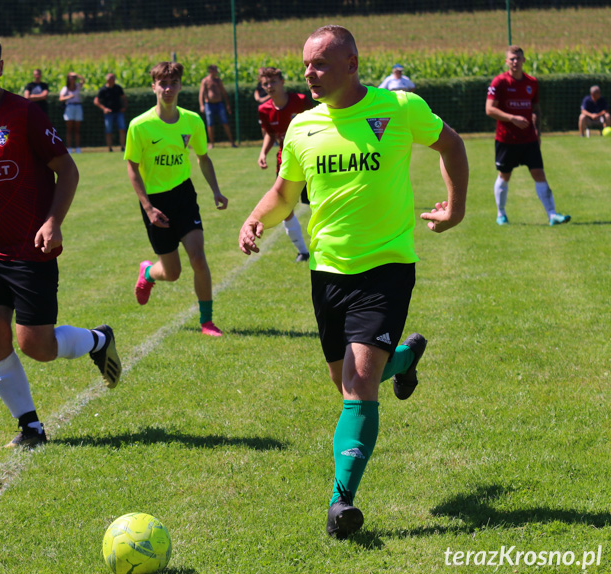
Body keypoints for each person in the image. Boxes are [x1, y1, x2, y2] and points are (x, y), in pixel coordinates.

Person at [239, 25, 468, 539]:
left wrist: (455, 208)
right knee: (345, 381)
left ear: (351, 63)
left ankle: (340, 503)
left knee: (360, 384)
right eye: (305, 67)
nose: (309, 75)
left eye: (319, 65)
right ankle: (404, 359)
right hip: (328, 273)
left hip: (386, 267)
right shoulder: (301, 127)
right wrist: (256, 217)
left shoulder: (400, 108)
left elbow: (451, 146)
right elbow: (284, 189)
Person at [0, 33, 121, 448]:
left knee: (36, 345)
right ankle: (31, 427)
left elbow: (67, 170)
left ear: (1, 67)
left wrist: (54, 221)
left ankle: (98, 340)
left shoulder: (25, 115)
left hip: (30, 249)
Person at [127, 61, 229, 337]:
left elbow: (203, 158)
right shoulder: (140, 126)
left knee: (198, 257)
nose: (168, 88)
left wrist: (216, 190)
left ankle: (206, 321)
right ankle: (148, 273)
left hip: (184, 195)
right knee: (172, 273)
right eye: (163, 83)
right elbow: (132, 168)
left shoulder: (192, 121)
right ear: (154, 87)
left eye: (173, 83)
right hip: (155, 201)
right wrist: (148, 207)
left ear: (180, 86)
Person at [486, 46, 570, 226]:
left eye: (518, 58)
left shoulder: (532, 82)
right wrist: (512, 118)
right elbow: (489, 109)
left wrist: (538, 132)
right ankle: (501, 214)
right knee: (504, 175)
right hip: (506, 139)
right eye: (512, 59)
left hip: (529, 139)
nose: (515, 61)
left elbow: (536, 109)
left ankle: (552, 215)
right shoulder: (499, 82)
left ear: (524, 60)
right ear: (507, 61)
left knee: (539, 174)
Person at [257, 66, 315, 263]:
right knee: (285, 208)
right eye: (265, 83)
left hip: (310, 160)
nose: (269, 86)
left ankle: (326, 243)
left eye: (273, 81)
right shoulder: (264, 109)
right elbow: (271, 135)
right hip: (286, 163)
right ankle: (303, 251)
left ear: (282, 82)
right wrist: (263, 152)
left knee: (317, 203)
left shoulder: (300, 101)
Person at [198, 65, 236, 148]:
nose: (217, 72)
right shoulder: (205, 81)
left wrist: (228, 104)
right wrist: (201, 105)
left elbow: (224, 92)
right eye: (215, 70)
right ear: (211, 71)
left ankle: (232, 142)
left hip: (219, 104)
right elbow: (201, 94)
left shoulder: (218, 80)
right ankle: (211, 144)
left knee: (225, 122)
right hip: (209, 105)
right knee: (210, 124)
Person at [94, 73, 128, 152]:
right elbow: (96, 101)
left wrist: (124, 107)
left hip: (119, 112)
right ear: (107, 80)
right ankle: (110, 148)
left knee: (122, 129)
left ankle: (123, 147)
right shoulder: (103, 90)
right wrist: (104, 109)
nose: (111, 80)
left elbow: (124, 98)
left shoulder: (118, 88)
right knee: (108, 130)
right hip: (108, 114)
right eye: (110, 79)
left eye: (112, 79)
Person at [59, 72, 85, 153]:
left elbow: (83, 80)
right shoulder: (65, 88)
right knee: (69, 129)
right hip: (69, 107)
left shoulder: (77, 86)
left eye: (74, 77)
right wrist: (69, 97)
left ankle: (78, 148)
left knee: (77, 129)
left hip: (78, 107)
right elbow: (61, 98)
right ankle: (69, 148)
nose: (73, 79)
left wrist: (77, 75)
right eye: (71, 77)